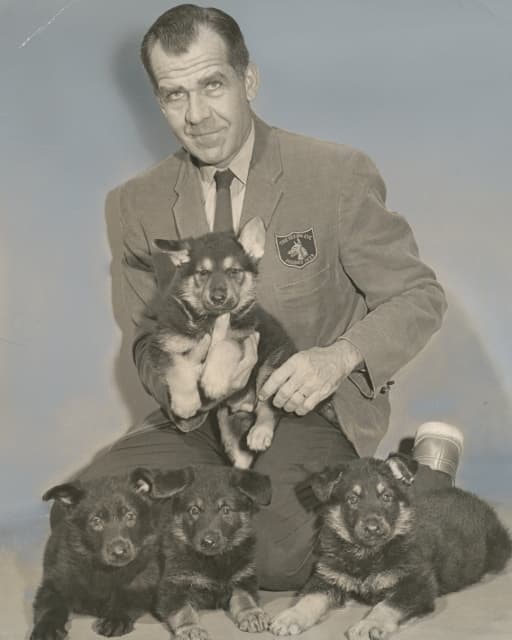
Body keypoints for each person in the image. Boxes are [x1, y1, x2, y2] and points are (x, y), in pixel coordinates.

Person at [75, 4, 463, 590]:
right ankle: (217, 491)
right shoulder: (136, 204)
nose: (197, 115)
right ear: (157, 100)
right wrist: (176, 390)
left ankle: (424, 482)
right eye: (174, 95)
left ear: (247, 80)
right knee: (85, 524)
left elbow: (418, 294)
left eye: (212, 85)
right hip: (196, 421)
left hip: (301, 410)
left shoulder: (334, 175)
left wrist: (336, 358)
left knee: (277, 562)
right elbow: (144, 338)